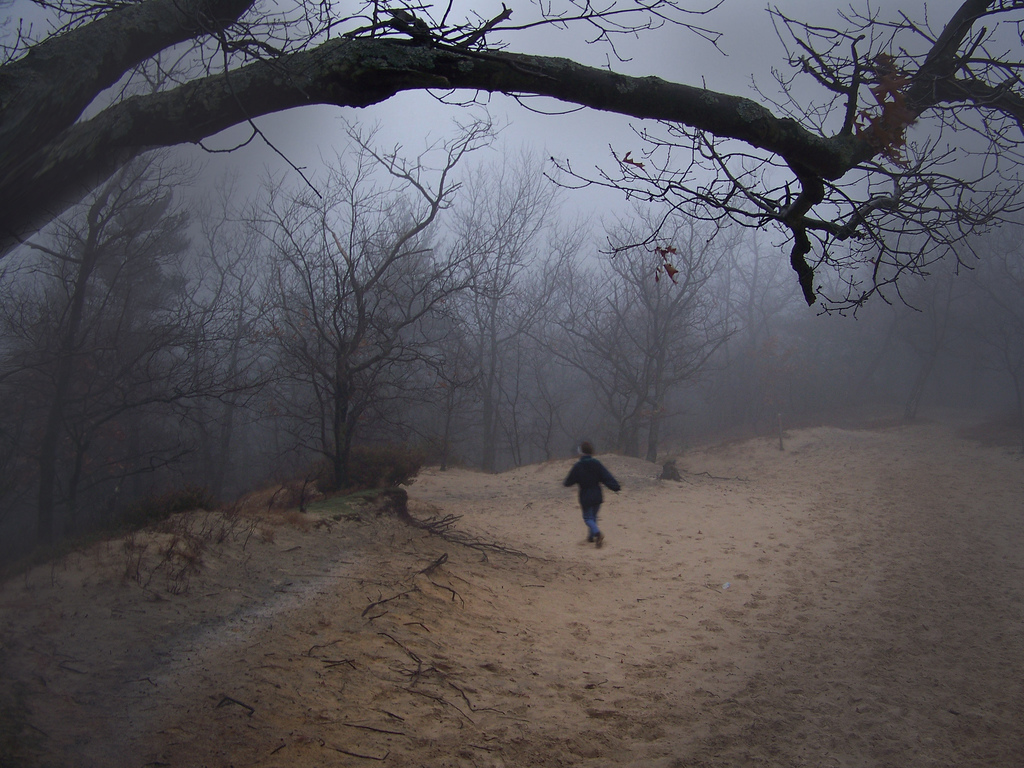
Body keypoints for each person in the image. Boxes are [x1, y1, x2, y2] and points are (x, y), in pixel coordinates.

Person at [563, 441, 620, 548]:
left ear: (581, 452)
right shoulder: (597, 464)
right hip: (597, 494)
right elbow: (606, 476)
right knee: (593, 516)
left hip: (585, 495)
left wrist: (567, 483)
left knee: (587, 518)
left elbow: (569, 481)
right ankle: (591, 537)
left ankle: (597, 534)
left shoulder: (578, 466)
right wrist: (615, 486)